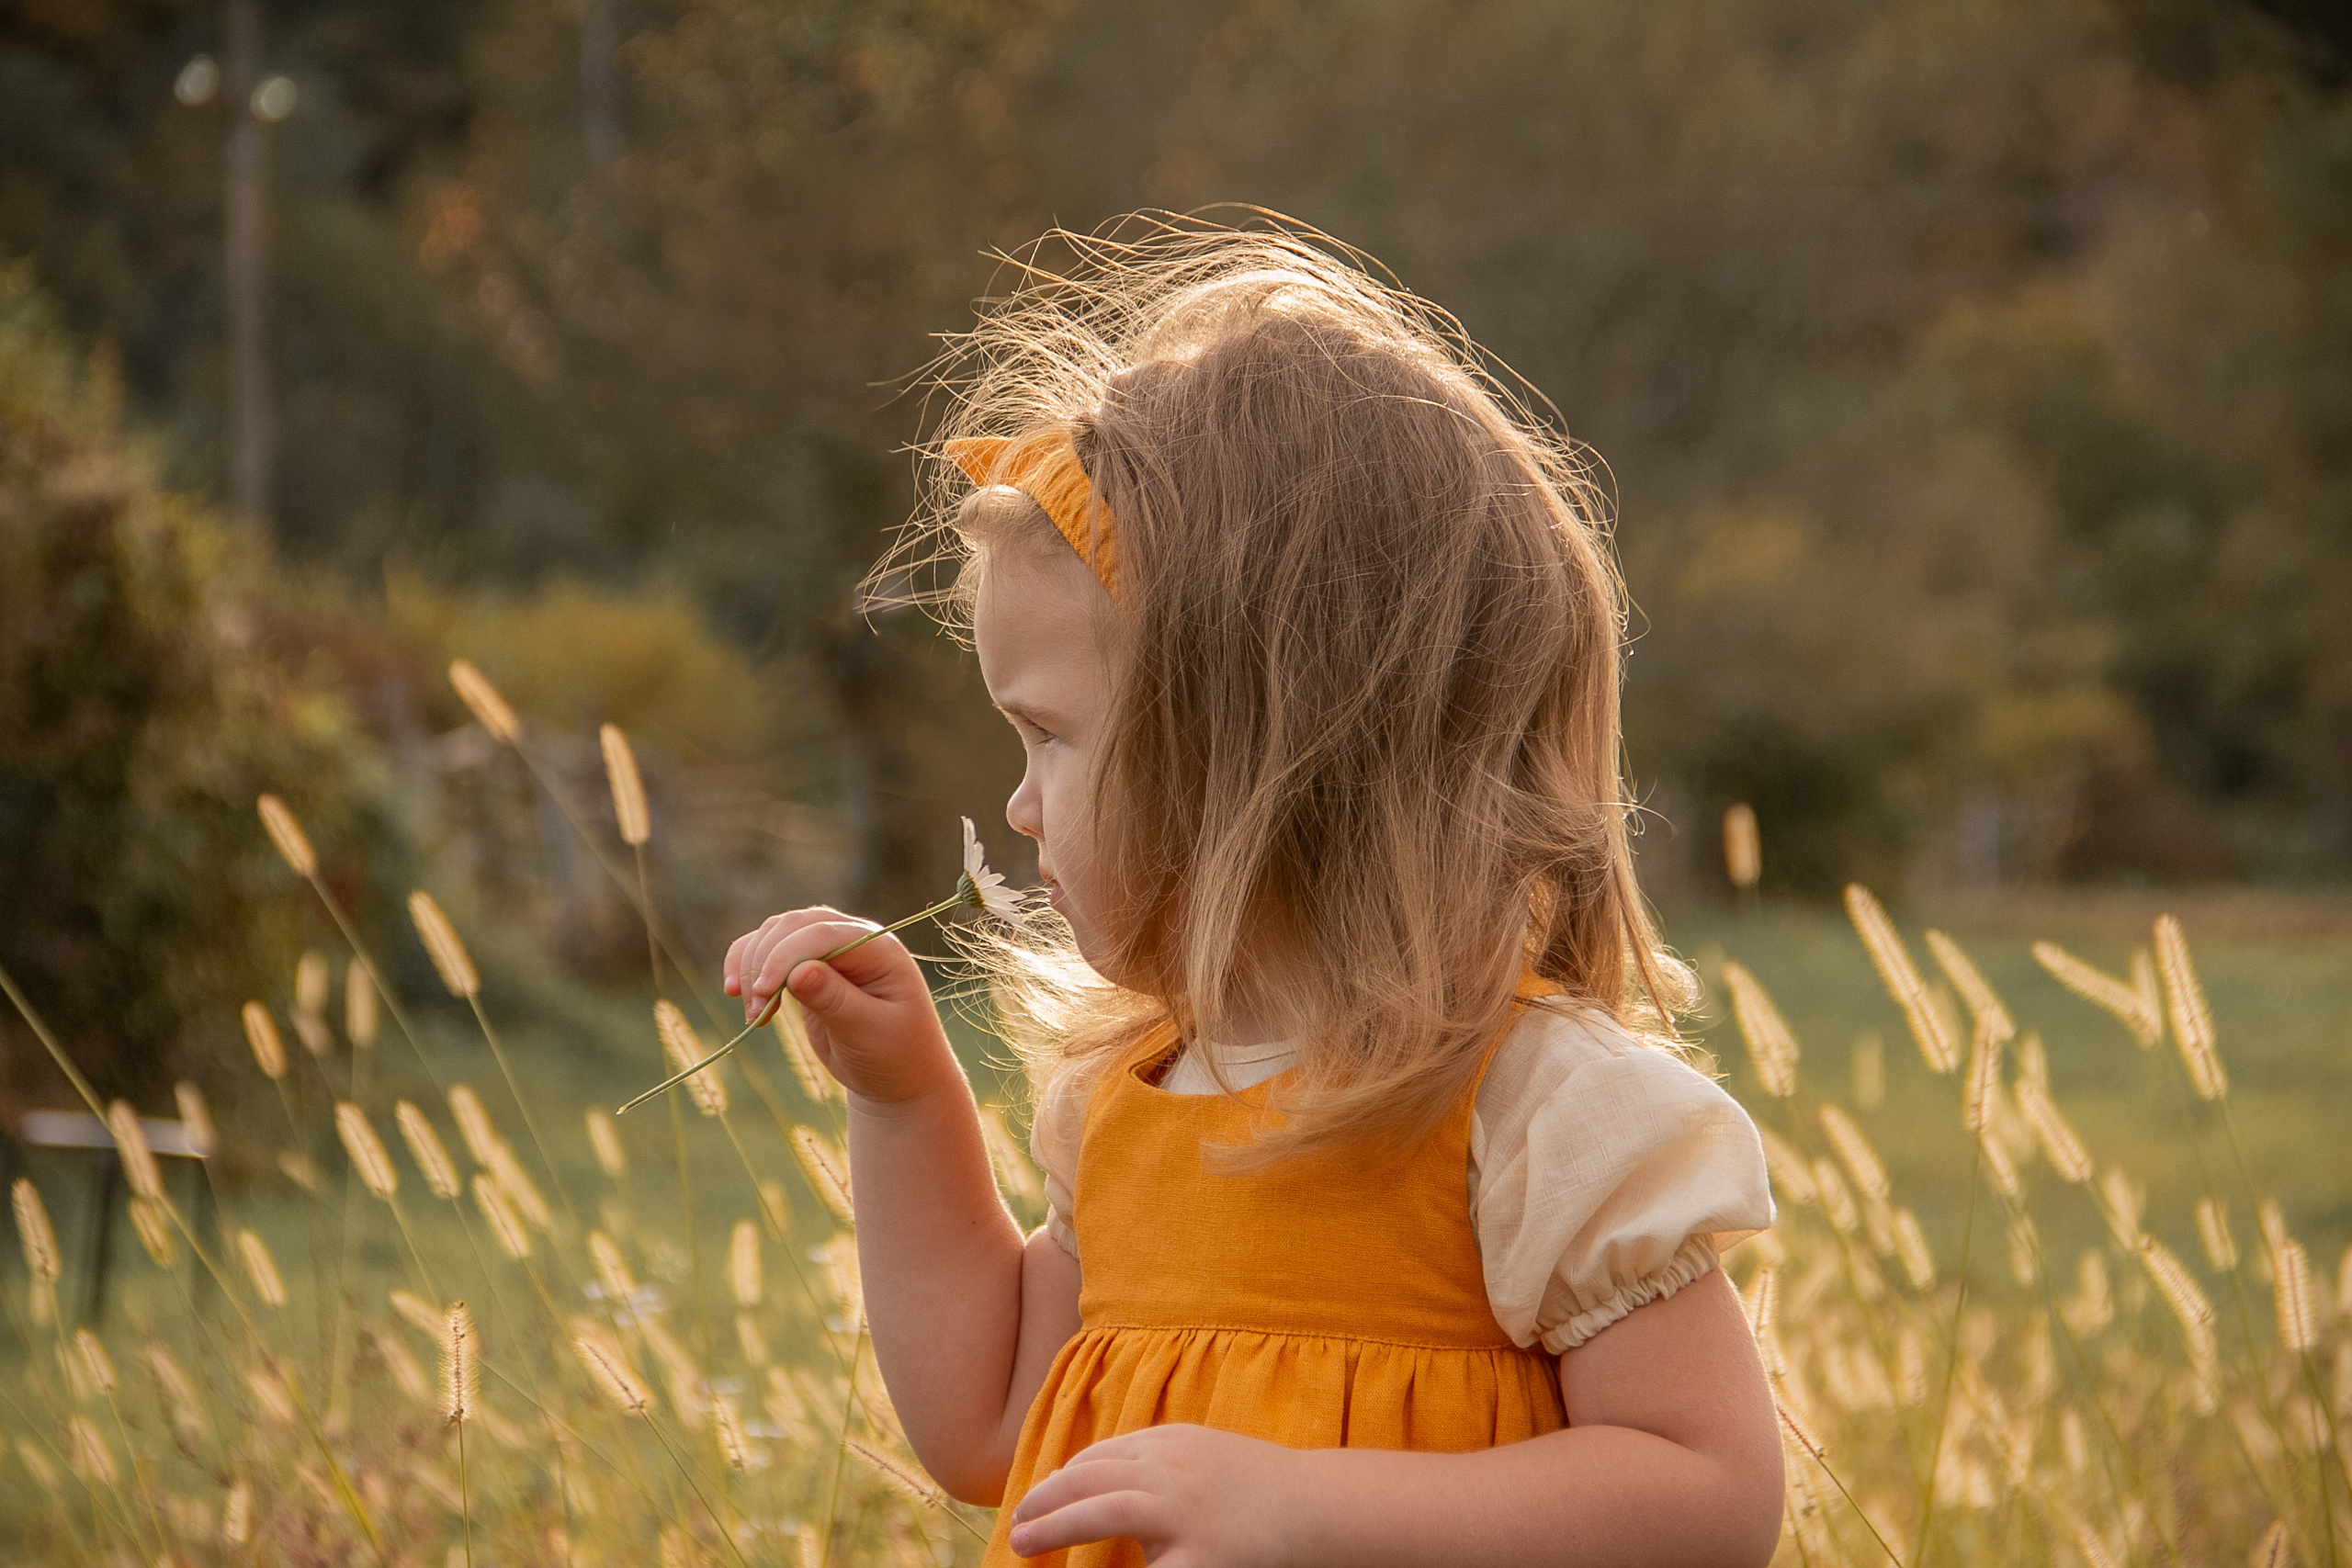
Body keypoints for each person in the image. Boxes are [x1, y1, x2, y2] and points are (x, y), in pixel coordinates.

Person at [724, 216, 1785, 1567]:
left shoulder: (1535, 1114)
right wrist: (901, 1097)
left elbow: (1709, 1499)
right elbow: (988, 1427)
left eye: (1049, 734)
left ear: (1260, 756)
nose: (1018, 801)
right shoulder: (1129, 1105)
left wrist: (1304, 1508)